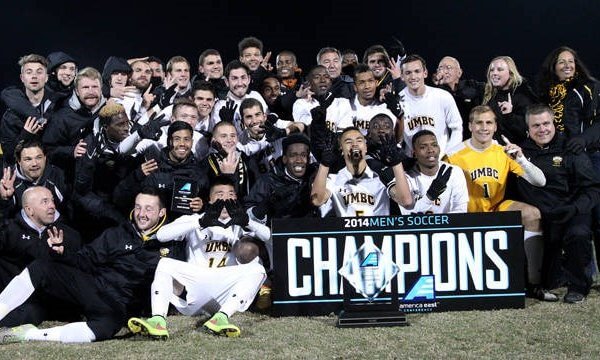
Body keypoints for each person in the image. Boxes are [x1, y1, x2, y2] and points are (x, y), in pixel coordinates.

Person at [0, 189, 183, 343]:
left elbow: (176, 285)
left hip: (119, 305)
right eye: (138, 207)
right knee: (41, 267)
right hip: (94, 289)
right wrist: (63, 253)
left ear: (161, 212)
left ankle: (29, 335)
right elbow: (85, 259)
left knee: (109, 325)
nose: (141, 214)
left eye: (149, 209)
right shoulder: (117, 233)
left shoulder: (173, 241)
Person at [127, 176, 269, 338]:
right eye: (219, 195)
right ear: (209, 199)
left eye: (230, 195)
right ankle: (158, 320)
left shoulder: (240, 223)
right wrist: (201, 222)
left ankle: (222, 318)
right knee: (165, 263)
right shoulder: (194, 220)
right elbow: (162, 235)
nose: (225, 199)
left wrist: (247, 222)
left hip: (225, 289)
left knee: (258, 268)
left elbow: (268, 236)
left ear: (236, 199)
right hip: (197, 286)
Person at [445, 105, 550, 300]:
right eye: (479, 123)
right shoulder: (453, 155)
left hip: (495, 208)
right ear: (470, 126)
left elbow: (540, 181)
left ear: (495, 127)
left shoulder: (503, 152)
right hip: (465, 214)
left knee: (532, 214)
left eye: (489, 123)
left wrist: (522, 160)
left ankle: (534, 282)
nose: (484, 128)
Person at [517, 104, 600, 303]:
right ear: (528, 129)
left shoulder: (571, 148)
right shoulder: (519, 154)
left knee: (578, 234)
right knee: (549, 281)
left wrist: (574, 208)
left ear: (554, 123)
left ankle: (578, 287)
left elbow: (592, 188)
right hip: (543, 216)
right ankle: (555, 274)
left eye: (546, 123)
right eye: (536, 125)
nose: (542, 129)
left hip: (572, 210)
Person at [0, 186, 81, 327]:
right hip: (13, 298)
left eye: (52, 201)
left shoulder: (68, 234)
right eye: (45, 202)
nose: (52, 206)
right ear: (29, 210)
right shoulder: (9, 230)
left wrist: (61, 254)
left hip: (50, 301)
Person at [311, 126, 412, 217]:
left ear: (366, 147)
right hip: (346, 236)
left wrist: (396, 163)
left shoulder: (381, 175)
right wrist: (324, 164)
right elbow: (317, 200)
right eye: (348, 142)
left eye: (359, 141)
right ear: (341, 148)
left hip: (378, 235)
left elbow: (406, 202)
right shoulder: (334, 178)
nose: (354, 144)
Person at [114, 121, 207, 217]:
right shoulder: (151, 168)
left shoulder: (199, 173)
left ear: (192, 142)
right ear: (169, 141)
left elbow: (209, 205)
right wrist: (136, 176)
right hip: (151, 227)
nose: (182, 143)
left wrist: (201, 207)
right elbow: (119, 199)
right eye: (177, 139)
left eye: (186, 139)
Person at [42, 67, 106, 184]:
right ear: (77, 91)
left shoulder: (110, 110)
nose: (91, 91)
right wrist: (72, 151)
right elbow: (47, 149)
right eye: (85, 87)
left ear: (101, 89)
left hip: (106, 178)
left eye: (95, 87)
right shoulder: (61, 117)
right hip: (73, 181)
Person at [399, 54, 463, 158]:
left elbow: (457, 128)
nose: (413, 77)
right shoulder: (398, 100)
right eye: (408, 73)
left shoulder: (443, 96)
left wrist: (448, 155)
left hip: (441, 160)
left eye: (417, 71)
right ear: (402, 76)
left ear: (425, 73)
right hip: (412, 163)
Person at [1, 54, 60, 165]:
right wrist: (26, 135)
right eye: (29, 72)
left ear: (46, 77)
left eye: (39, 72)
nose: (34, 76)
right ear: (22, 78)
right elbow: (9, 156)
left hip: (55, 172)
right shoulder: (10, 116)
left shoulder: (58, 106)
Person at [245, 133, 317, 223]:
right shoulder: (267, 181)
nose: (299, 160)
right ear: (284, 159)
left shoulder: (315, 176)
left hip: (311, 231)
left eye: (303, 155)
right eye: (293, 155)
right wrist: (266, 205)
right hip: (276, 232)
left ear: (309, 159)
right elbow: (247, 216)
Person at [399, 130, 468, 214]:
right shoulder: (405, 178)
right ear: (414, 153)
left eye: (434, 145)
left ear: (439, 148)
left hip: (447, 226)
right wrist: (430, 196)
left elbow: (460, 210)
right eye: (423, 147)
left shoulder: (454, 172)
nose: (430, 150)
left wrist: (441, 224)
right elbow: (408, 214)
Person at [0, 140, 68, 219]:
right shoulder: (7, 181)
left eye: (38, 157)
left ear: (45, 158)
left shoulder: (58, 175)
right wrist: (5, 199)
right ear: (19, 161)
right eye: (28, 159)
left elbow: (67, 210)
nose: (34, 164)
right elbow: (6, 219)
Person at [482, 56, 538, 145]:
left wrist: (509, 115)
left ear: (511, 73)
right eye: (492, 70)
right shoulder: (490, 94)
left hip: (517, 151)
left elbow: (528, 130)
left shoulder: (523, 96)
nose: (494, 73)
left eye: (500, 69)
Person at [432, 56, 485, 140]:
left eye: (448, 68)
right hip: (446, 139)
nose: (444, 71)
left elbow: (492, 88)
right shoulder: (435, 92)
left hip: (472, 138)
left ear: (459, 73)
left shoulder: (473, 86)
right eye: (440, 68)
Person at [211, 60, 268, 134]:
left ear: (249, 79)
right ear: (226, 82)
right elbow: (218, 138)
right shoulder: (220, 106)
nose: (240, 83)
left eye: (243, 77)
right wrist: (227, 123)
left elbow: (268, 119)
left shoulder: (256, 95)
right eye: (234, 78)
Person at [292, 65, 353, 134]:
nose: (323, 80)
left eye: (326, 77)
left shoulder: (343, 103)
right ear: (309, 82)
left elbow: (346, 131)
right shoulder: (301, 104)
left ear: (330, 82)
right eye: (317, 77)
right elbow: (311, 131)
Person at [350, 64, 402, 138]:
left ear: (376, 83)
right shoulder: (345, 105)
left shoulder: (385, 108)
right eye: (362, 82)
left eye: (370, 81)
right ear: (355, 87)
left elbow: (397, 139)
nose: (367, 86)